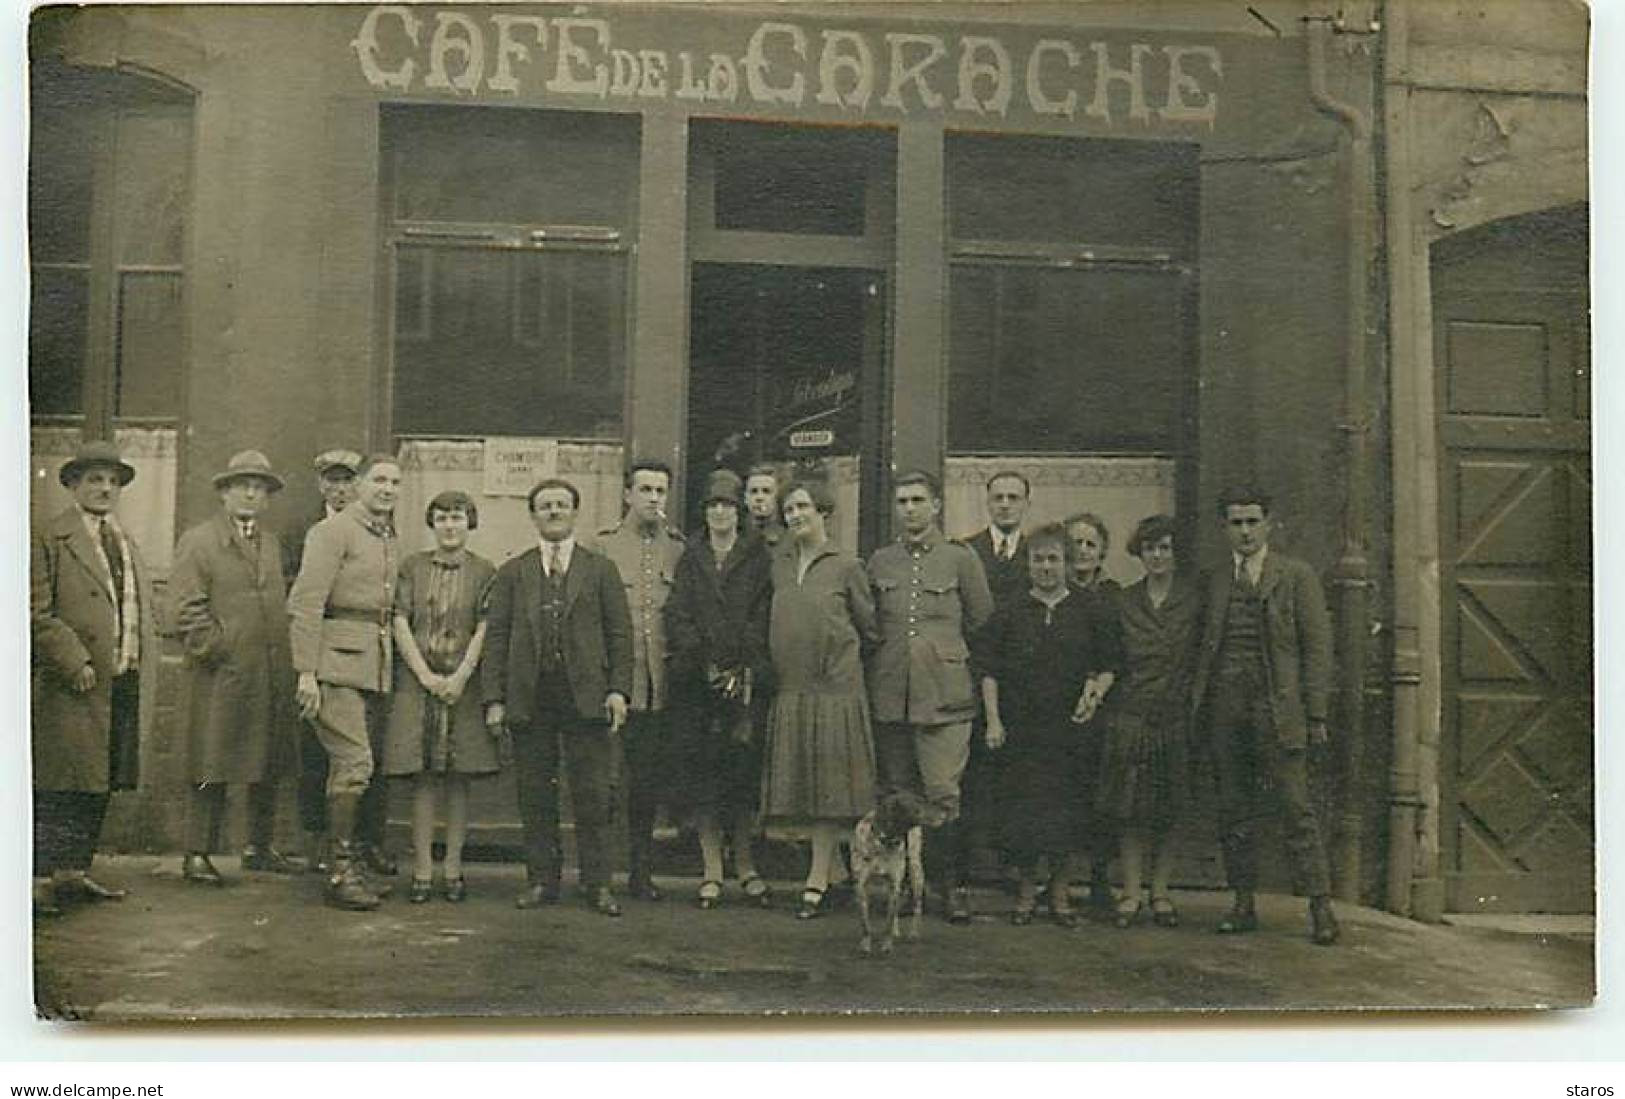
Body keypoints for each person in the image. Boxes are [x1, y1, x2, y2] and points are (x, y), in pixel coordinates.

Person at [1190, 486, 1339, 945]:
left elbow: (1317, 649)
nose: (1245, 531)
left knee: (1296, 809)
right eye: (1236, 523)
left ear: (1269, 523)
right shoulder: (1215, 580)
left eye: (1253, 521)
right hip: (1225, 710)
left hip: (1278, 709)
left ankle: (1321, 908)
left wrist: (1315, 714)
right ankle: (1242, 903)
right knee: (1234, 810)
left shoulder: (1295, 576)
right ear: (1224, 528)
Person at [484, 478, 632, 917]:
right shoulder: (514, 572)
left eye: (561, 505)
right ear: (533, 515)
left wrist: (618, 690)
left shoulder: (600, 569)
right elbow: (497, 638)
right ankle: (541, 881)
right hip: (530, 696)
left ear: (574, 513)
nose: (553, 511)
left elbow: (620, 636)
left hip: (585, 695)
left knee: (592, 795)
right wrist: (495, 698)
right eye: (545, 506)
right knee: (535, 794)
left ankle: (598, 884)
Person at [30, 441, 157, 918]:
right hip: (71, 682)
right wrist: (74, 661)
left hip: (118, 677)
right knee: (60, 780)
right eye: (94, 480)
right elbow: (35, 610)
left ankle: (74, 871)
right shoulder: (49, 536)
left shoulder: (122, 542)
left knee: (99, 778)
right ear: (71, 485)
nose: (105, 489)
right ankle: (41, 878)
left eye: (112, 481)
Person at [867, 470, 994, 924]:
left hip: (945, 700)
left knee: (943, 795)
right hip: (891, 696)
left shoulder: (961, 560)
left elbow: (983, 627)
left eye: (919, 500)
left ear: (937, 505)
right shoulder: (880, 562)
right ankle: (904, 888)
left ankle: (952, 886)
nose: (910, 510)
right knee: (897, 795)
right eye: (902, 502)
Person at [978, 523, 1121, 927]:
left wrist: (1094, 693)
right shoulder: (1010, 610)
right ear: (1028, 564)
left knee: (1068, 812)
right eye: (1038, 559)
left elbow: (1110, 665)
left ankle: (1060, 893)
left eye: (1054, 559)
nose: (1046, 567)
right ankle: (1026, 890)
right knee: (1024, 813)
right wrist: (993, 720)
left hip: (1072, 731)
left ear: (1067, 563)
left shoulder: (1088, 609)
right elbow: (988, 669)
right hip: (1022, 731)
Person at [171, 450, 301, 887]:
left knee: (266, 757)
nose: (251, 494)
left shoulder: (271, 541)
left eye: (260, 487)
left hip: (267, 672)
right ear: (224, 493)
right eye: (242, 485)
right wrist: (220, 648)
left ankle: (258, 847)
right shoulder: (199, 540)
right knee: (211, 763)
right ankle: (196, 853)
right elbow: (187, 611)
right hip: (220, 675)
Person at [759, 481, 879, 919]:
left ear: (824, 512)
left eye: (803, 507)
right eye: (788, 509)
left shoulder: (847, 565)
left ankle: (816, 879)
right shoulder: (779, 563)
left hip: (835, 693)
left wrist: (838, 663)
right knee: (806, 787)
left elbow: (869, 630)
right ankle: (837, 874)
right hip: (793, 688)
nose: (795, 516)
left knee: (830, 790)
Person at [287, 453, 402, 910]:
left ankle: (349, 864)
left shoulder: (385, 534)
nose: (387, 489)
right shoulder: (332, 532)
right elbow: (305, 602)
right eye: (378, 480)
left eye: (395, 481)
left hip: (372, 666)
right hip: (334, 665)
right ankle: (338, 871)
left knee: (358, 767)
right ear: (358, 485)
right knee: (354, 764)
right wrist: (306, 672)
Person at [665, 469, 774, 909]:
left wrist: (740, 663)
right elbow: (678, 613)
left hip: (745, 684)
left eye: (727, 505)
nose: (719, 513)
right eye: (712, 506)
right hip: (700, 684)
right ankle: (711, 869)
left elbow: (764, 612)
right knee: (705, 780)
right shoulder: (691, 556)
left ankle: (746, 866)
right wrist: (703, 658)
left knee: (742, 781)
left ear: (739, 511)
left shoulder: (758, 556)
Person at [383, 491, 498, 904]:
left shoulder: (485, 571)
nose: (451, 526)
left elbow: (486, 626)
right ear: (432, 524)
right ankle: (423, 870)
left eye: (459, 518)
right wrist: (426, 675)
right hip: (419, 684)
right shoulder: (412, 567)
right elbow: (399, 620)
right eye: (443, 518)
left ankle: (453, 869)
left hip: (464, 687)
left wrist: (462, 675)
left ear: (470, 523)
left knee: (458, 777)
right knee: (424, 777)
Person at [1099, 515, 1201, 929]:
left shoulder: (1196, 600)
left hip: (1176, 716)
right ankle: (1131, 892)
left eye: (1165, 548)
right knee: (1130, 809)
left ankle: (1161, 892)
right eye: (1150, 549)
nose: (1157, 556)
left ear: (1177, 554)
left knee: (1170, 808)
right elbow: (1112, 660)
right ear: (1139, 554)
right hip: (1132, 714)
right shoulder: (1124, 601)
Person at [591, 459, 685, 901]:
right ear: (627, 494)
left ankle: (640, 874)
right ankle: (600, 874)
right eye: (644, 489)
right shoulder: (602, 548)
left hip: (659, 686)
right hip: (612, 686)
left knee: (645, 784)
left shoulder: (678, 550)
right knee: (605, 781)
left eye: (660, 491)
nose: (652, 498)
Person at [281, 447, 363, 874]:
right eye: (332, 480)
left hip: (356, 652)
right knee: (314, 753)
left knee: (360, 752)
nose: (340, 488)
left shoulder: (372, 528)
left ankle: (362, 845)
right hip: (315, 647)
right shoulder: (303, 530)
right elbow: (296, 590)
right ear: (320, 485)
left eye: (347, 479)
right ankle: (317, 843)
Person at [958, 470, 1032, 893]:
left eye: (1014, 498)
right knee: (974, 773)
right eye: (999, 497)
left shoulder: (1037, 553)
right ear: (987, 502)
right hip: (975, 674)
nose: (1005, 504)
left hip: (1021, 680)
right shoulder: (969, 551)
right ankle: (973, 860)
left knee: (1016, 774)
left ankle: (1011, 865)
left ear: (1025, 504)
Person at [1062, 509, 1123, 917]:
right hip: (1056, 708)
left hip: (1100, 707)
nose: (1082, 551)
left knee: (1101, 796)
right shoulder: (1053, 592)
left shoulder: (1113, 596)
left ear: (1102, 553)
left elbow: (1117, 655)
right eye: (1075, 544)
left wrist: (1096, 691)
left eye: (1090, 544)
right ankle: (1058, 882)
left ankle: (1101, 878)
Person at [743, 463, 787, 554]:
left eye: (766, 491)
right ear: (746, 498)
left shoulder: (788, 540)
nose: (759, 498)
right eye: (754, 491)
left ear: (776, 497)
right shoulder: (735, 538)